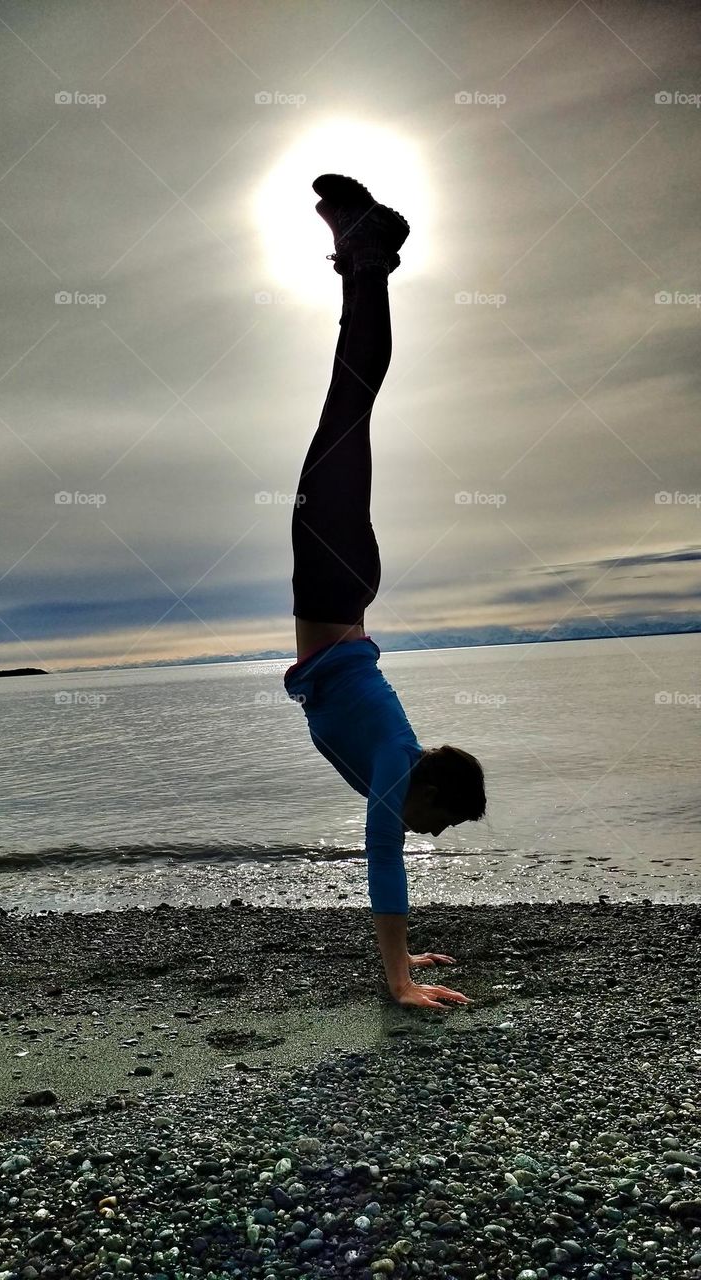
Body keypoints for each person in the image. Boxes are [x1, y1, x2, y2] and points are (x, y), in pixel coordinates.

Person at [283, 174, 486, 1010]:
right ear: (430, 791)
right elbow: (383, 864)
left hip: (347, 590)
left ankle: (360, 260)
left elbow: (391, 852)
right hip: (335, 585)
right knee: (349, 406)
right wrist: (397, 978)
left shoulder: (395, 766)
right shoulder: (399, 775)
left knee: (349, 410)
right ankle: (368, 258)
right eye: (436, 822)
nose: (423, 832)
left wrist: (414, 958)